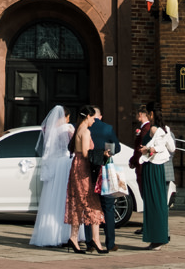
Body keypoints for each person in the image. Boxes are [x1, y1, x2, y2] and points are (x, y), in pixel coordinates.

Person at [30, 104, 76, 247]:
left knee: (52, 201)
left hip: (53, 166)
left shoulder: (51, 131)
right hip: (65, 165)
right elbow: (73, 146)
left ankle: (50, 235)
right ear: (66, 117)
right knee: (65, 200)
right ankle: (65, 234)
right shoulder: (68, 129)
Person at [65, 105, 105, 254]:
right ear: (87, 116)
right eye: (93, 118)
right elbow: (87, 154)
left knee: (78, 203)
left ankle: (74, 238)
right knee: (91, 203)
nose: (94, 121)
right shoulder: (85, 131)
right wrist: (103, 155)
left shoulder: (77, 130)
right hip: (83, 169)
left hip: (76, 166)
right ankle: (95, 239)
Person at [137, 107, 175, 249]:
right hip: (156, 168)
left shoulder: (155, 129)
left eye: (147, 113)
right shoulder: (165, 129)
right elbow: (172, 148)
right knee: (158, 203)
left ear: (151, 114)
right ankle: (159, 237)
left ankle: (157, 239)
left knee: (154, 203)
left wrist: (148, 149)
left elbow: (159, 148)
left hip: (153, 167)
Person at [85, 106, 121, 252]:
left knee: (89, 206)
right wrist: (107, 152)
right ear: (100, 116)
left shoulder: (83, 127)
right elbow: (117, 148)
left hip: (88, 170)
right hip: (104, 170)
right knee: (108, 208)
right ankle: (110, 243)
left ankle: (89, 242)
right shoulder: (107, 128)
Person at [128, 105, 153, 237]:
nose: (136, 116)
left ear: (142, 115)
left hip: (142, 166)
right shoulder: (144, 128)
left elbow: (141, 147)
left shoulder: (146, 129)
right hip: (140, 165)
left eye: (138, 114)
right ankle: (146, 224)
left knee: (145, 194)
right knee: (144, 195)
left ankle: (147, 225)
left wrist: (134, 160)